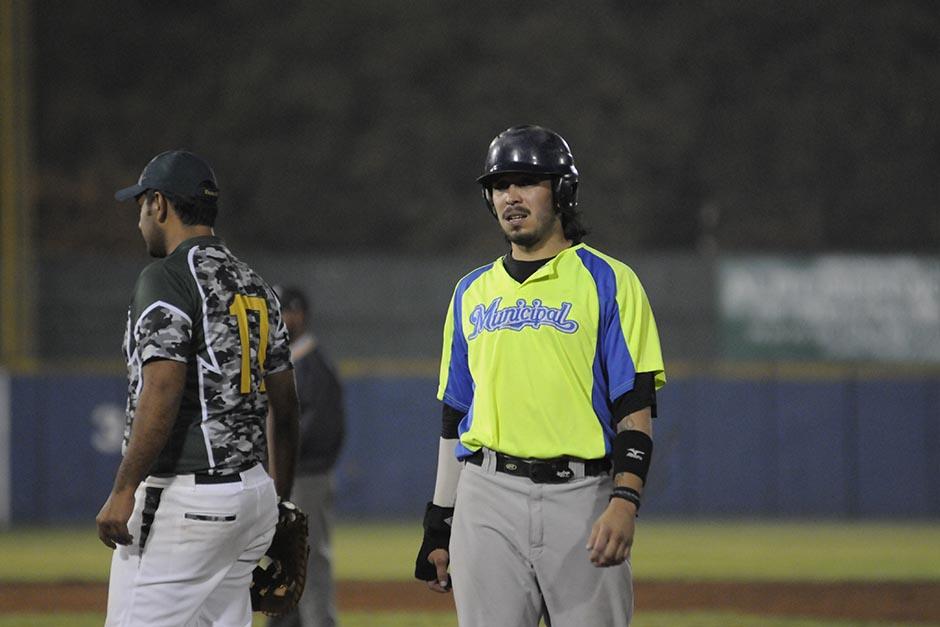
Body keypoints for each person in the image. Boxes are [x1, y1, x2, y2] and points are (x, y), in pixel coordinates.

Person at [414, 125, 666, 626]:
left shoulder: (609, 281)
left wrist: (625, 500)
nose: (510, 195)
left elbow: (634, 409)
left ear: (563, 191)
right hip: (485, 498)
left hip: (583, 497)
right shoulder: (470, 292)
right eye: (500, 184)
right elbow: (455, 417)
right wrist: (439, 522)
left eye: (527, 181)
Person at [97, 149, 300, 627]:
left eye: (142, 204)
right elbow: (287, 408)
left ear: (160, 205)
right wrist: (280, 502)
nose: (140, 218)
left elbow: (163, 389)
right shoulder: (256, 284)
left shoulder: (166, 278)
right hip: (252, 497)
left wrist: (124, 489)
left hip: (187, 499)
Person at [269, 286, 345, 627]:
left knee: (309, 558)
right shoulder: (283, 361)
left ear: (301, 314)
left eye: (285, 310)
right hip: (285, 476)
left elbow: (326, 429)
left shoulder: (312, 363)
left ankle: (319, 623)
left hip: (306, 476)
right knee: (285, 560)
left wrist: (287, 458)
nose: (280, 318)